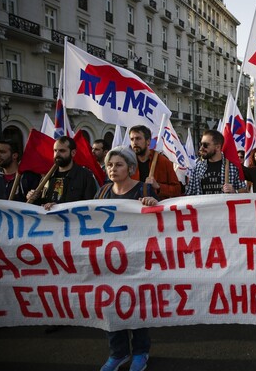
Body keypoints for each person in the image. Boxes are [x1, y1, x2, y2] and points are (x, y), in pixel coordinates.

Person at [95, 146, 158, 371]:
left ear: (131, 168)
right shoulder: (102, 192)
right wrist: (53, 210)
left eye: (118, 164)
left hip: (136, 260)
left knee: (137, 305)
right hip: (107, 261)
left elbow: (160, 224)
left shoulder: (144, 189)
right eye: (109, 165)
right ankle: (118, 353)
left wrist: (153, 205)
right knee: (111, 307)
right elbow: (85, 218)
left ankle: (141, 352)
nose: (112, 169)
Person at [26, 136, 98, 210]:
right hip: (49, 220)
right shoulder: (47, 177)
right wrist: (33, 198)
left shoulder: (85, 176)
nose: (57, 154)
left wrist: (58, 207)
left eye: (62, 151)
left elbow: (90, 207)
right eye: (55, 150)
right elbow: (39, 205)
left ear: (73, 153)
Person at [185, 129, 246, 195]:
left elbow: (245, 192)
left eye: (205, 145)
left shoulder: (232, 167)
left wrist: (234, 191)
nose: (201, 148)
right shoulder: (197, 168)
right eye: (201, 144)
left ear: (217, 147)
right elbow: (189, 194)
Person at [129, 125, 181, 200]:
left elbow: (177, 190)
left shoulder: (163, 162)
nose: (134, 142)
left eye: (138, 138)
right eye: (132, 139)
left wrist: (159, 186)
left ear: (148, 141)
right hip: (135, 209)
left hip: (157, 208)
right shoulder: (128, 163)